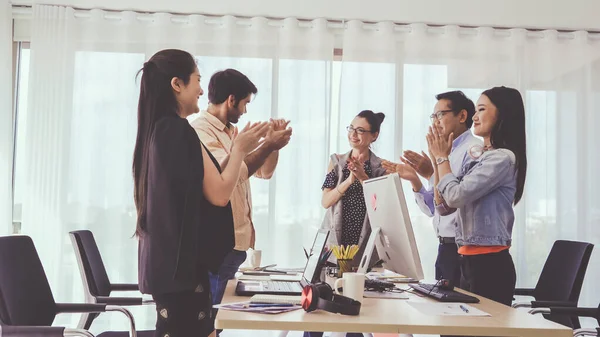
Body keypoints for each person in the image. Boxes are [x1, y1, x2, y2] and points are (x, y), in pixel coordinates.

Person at [133, 49, 269, 337]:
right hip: (181, 274)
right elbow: (219, 193)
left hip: (172, 270)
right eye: (197, 79)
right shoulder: (177, 131)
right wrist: (240, 148)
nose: (200, 89)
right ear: (176, 84)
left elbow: (207, 180)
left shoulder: (159, 130)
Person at [190, 69, 292, 320]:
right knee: (212, 320)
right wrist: (268, 144)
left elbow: (264, 173)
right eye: (245, 103)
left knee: (218, 320)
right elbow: (234, 174)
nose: (245, 111)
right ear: (231, 100)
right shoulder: (200, 131)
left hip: (236, 243)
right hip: (219, 244)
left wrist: (271, 145)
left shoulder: (232, 133)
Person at [427, 86, 527, 306]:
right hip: (468, 259)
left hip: (489, 263)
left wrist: (442, 158)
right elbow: (444, 207)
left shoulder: (502, 159)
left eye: (481, 109)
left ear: (502, 113)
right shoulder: (482, 157)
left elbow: (454, 196)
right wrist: (437, 160)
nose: (474, 116)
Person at [382, 91, 481, 288]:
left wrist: (434, 167)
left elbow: (454, 199)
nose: (435, 121)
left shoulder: (474, 150)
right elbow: (434, 208)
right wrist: (415, 180)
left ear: (462, 116)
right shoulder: (443, 151)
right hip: (445, 248)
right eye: (433, 116)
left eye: (440, 114)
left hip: (463, 248)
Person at [307, 110, 387, 337]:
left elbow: (381, 206)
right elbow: (326, 201)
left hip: (362, 247)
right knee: (318, 307)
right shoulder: (336, 162)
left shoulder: (381, 167)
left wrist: (363, 178)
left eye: (361, 130)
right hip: (333, 245)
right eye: (351, 128)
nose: (354, 134)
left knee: (355, 309)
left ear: (374, 135)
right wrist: (349, 180)